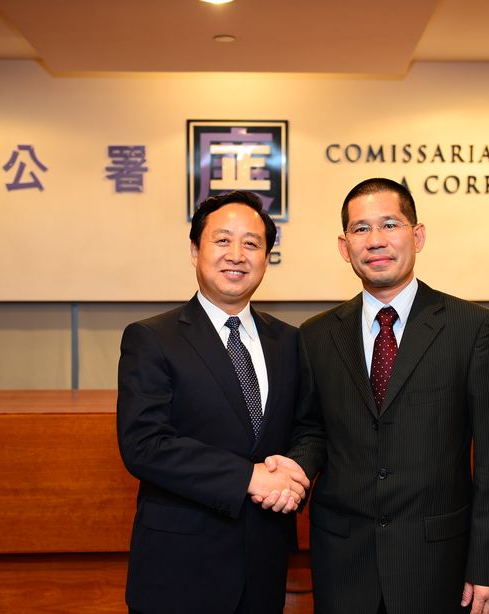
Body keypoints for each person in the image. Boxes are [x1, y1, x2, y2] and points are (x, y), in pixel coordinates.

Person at [269, 177, 489, 614]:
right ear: (345, 246)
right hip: (343, 562)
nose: (376, 241)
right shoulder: (316, 335)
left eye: (390, 225)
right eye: (361, 229)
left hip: (436, 563)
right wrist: (293, 472)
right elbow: (313, 431)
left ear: (417, 236)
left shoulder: (471, 329)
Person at [117, 190, 310, 614]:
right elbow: (144, 444)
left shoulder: (288, 341)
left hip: (264, 564)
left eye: (251, 243)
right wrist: (248, 478)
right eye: (222, 240)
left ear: (266, 258)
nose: (236, 255)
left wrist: (294, 476)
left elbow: (307, 427)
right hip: (180, 570)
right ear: (195, 250)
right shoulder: (152, 338)